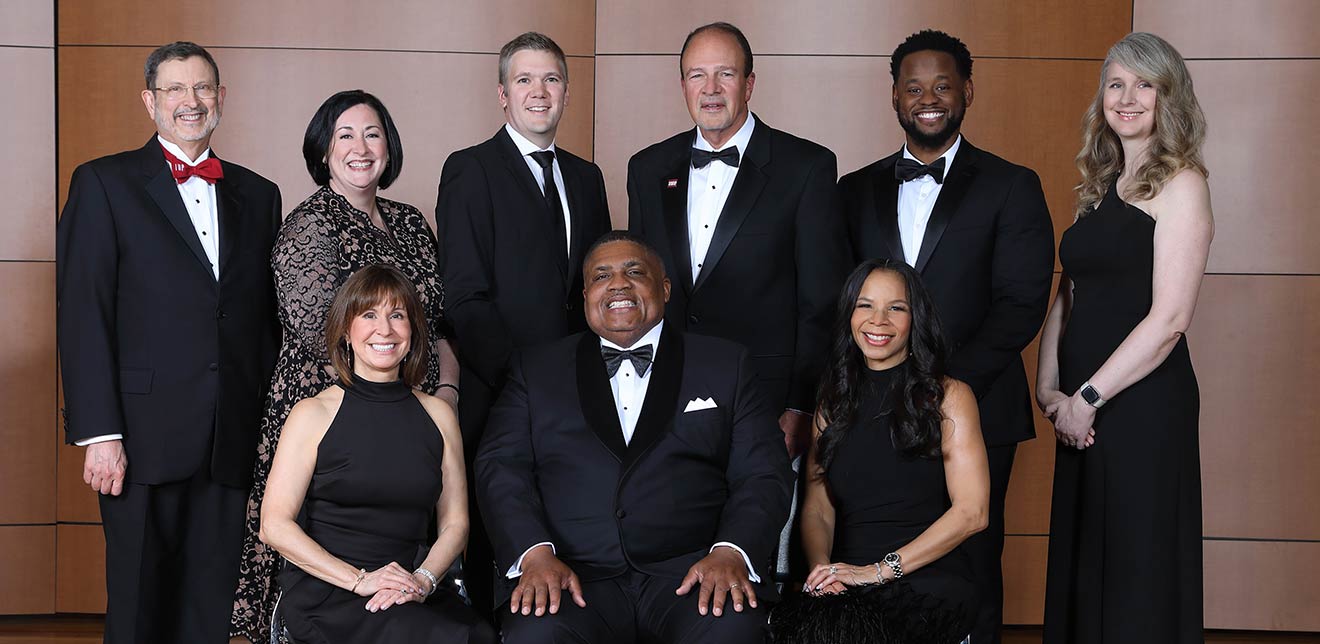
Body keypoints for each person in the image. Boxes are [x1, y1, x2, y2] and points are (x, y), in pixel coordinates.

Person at [56, 41, 281, 644]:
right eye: (176, 90)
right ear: (149, 102)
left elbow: (259, 323)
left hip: (226, 436)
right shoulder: (103, 183)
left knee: (207, 607)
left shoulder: (260, 195)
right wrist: (99, 434)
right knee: (137, 605)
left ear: (222, 99)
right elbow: (84, 316)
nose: (191, 101)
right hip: (138, 434)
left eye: (203, 88)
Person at [839, 30, 1055, 643]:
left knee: (975, 561)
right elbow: (842, 302)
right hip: (868, 409)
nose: (928, 98)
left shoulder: (1012, 185)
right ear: (894, 97)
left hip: (980, 403)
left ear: (967, 91)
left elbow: (1021, 304)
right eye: (913, 87)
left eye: (942, 85)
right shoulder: (852, 190)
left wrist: (943, 389)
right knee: (870, 544)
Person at [475, 232, 792, 644]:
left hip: (694, 572)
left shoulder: (726, 363)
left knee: (731, 628)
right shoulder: (534, 369)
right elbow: (500, 470)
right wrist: (534, 554)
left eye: (634, 272)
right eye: (602, 275)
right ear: (586, 294)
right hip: (572, 575)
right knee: (536, 634)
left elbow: (763, 473)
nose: (618, 284)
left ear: (664, 288)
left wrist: (731, 551)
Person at [231, 89, 459, 642]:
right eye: (345, 135)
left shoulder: (408, 222)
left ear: (389, 147)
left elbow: (438, 322)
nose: (361, 147)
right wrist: (384, 413)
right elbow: (320, 335)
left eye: (373, 134)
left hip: (413, 408)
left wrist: (445, 393)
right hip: (332, 411)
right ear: (324, 150)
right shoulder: (309, 224)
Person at [1038, 32, 1212, 644]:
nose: (1129, 97)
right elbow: (1070, 294)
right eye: (1117, 83)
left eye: (1146, 85)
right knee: (1088, 563)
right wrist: (1050, 388)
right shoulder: (1099, 187)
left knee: (1136, 566)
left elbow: (1170, 320)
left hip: (1140, 403)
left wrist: (1088, 398)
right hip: (1082, 407)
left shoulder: (1183, 184)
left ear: (1170, 98)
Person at [436, 32, 611, 615]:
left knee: (573, 522)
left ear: (566, 91)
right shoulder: (469, 170)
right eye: (525, 80)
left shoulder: (587, 178)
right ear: (504, 95)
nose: (540, 92)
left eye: (552, 79)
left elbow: (602, 289)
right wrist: (525, 377)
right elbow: (464, 297)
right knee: (500, 533)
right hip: (502, 389)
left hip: (583, 386)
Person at [627, 21, 849, 459]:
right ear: (683, 85)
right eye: (697, 75)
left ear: (748, 84)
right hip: (665, 402)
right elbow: (640, 290)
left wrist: (801, 406)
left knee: (762, 527)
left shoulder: (806, 168)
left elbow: (821, 302)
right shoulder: (648, 168)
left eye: (725, 74)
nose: (711, 88)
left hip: (765, 407)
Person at [259, 265, 496, 644]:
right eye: (369, 315)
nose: (384, 329)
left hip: (409, 588)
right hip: (331, 590)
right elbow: (274, 525)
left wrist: (423, 580)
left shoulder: (439, 414)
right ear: (346, 332)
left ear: (413, 331)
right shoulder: (313, 413)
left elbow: (455, 525)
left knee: (478, 635)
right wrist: (360, 580)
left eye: (397, 315)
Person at [772, 259, 988, 644]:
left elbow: (972, 513)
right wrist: (823, 570)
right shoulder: (831, 400)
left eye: (896, 308)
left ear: (915, 318)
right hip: (846, 574)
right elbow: (818, 506)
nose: (879, 320)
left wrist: (876, 571)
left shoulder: (950, 396)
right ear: (849, 313)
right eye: (865, 305)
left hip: (927, 575)